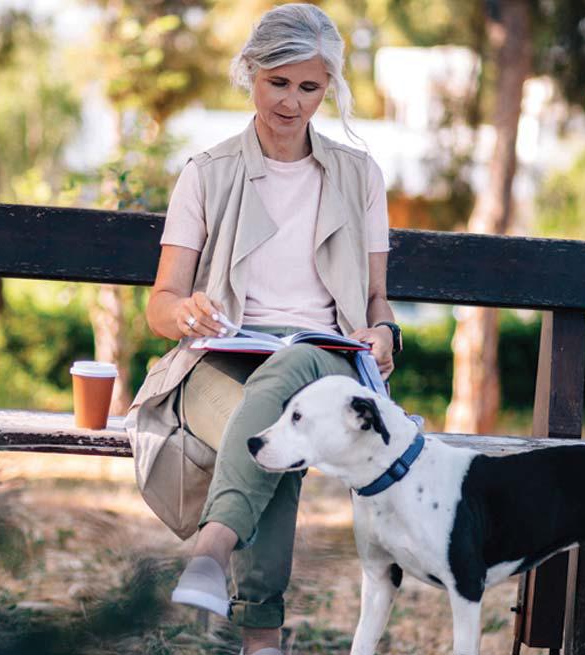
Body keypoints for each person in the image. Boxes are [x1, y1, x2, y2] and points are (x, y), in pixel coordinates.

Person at [122, 5, 402, 654]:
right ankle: (261, 637)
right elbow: (159, 305)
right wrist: (185, 310)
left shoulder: (358, 175)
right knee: (273, 428)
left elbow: (376, 299)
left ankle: (214, 552)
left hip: (325, 363)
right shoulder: (207, 172)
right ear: (249, 73)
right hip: (218, 362)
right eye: (278, 82)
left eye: (310, 87)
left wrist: (382, 334)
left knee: (289, 376)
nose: (292, 102)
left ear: (328, 86)